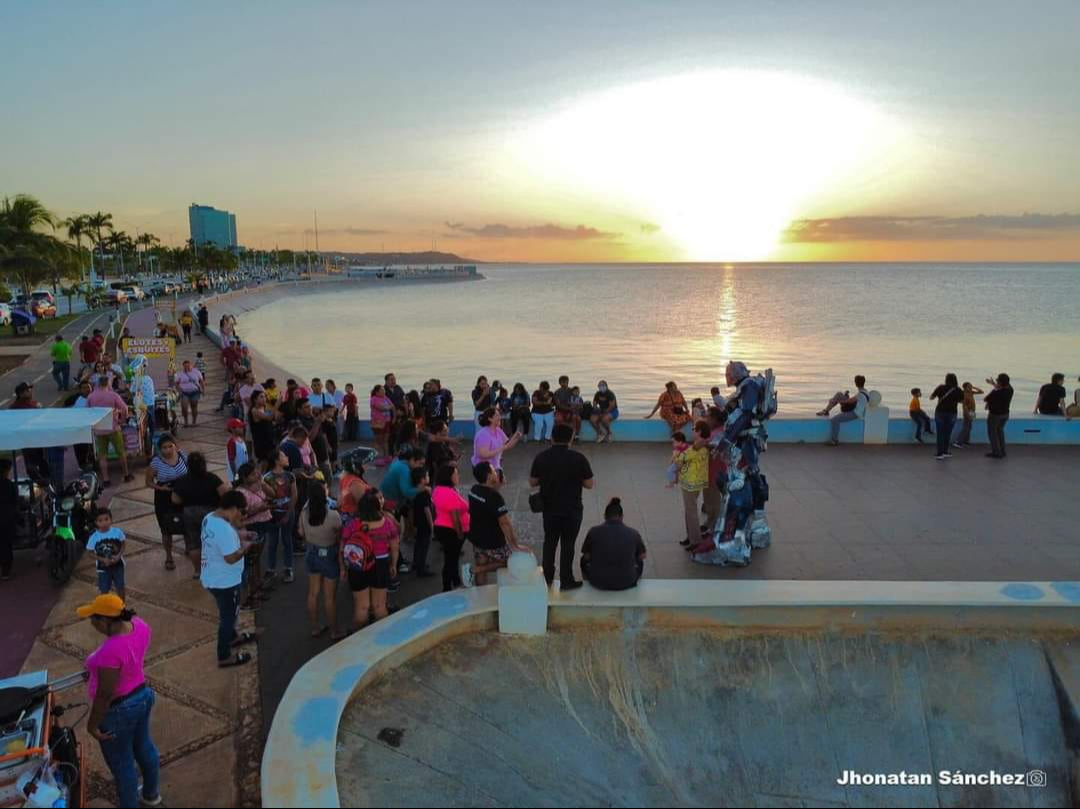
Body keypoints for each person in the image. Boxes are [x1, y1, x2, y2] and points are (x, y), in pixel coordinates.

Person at [77, 594, 160, 808]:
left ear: (105, 621)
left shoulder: (110, 651)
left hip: (119, 710)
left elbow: (105, 694)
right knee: (144, 747)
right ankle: (151, 795)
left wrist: (92, 725)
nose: (93, 624)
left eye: (94, 620)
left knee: (123, 765)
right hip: (142, 696)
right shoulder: (139, 625)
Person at [529, 422, 595, 590]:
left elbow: (532, 481)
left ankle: (547, 578)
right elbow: (589, 484)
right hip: (572, 510)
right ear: (571, 439)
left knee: (549, 543)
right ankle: (567, 580)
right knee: (568, 545)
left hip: (550, 510)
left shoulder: (541, 457)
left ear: (552, 438)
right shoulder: (579, 458)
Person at [200, 490, 257, 667]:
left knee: (228, 612)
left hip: (211, 576)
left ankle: (233, 637)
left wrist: (242, 536)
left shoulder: (210, 517)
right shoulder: (223, 529)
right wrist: (245, 548)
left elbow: (221, 539)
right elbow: (231, 557)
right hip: (225, 582)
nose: (243, 516)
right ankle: (224, 655)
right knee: (228, 618)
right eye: (243, 511)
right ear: (233, 508)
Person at [342, 489, 396, 629]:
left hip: (358, 564)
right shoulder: (387, 523)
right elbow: (394, 547)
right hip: (380, 564)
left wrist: (342, 567)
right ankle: (383, 638)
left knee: (362, 607)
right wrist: (393, 565)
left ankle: (359, 638)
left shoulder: (353, 525)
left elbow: (343, 547)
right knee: (379, 606)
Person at [467, 461, 528, 586]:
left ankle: (480, 594)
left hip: (476, 537)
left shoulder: (473, 490)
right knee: (510, 561)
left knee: (482, 561)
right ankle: (475, 570)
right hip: (493, 541)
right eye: (494, 471)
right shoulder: (494, 497)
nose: (496, 473)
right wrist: (515, 545)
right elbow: (504, 523)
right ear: (489, 476)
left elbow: (486, 503)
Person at [171, 451, 229, 577]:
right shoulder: (212, 478)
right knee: (213, 540)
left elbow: (175, 499)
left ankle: (198, 571)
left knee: (194, 543)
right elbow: (224, 493)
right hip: (210, 512)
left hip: (190, 513)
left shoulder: (182, 481)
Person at [299, 478, 343, 639]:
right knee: (329, 597)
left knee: (313, 593)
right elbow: (339, 537)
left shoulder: (304, 512)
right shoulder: (333, 515)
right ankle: (335, 631)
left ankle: (315, 628)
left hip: (311, 552)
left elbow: (301, 532)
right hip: (329, 554)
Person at [581, 498, 647, 590]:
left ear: (605, 516)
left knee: (583, 560)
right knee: (639, 561)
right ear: (622, 516)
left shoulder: (593, 532)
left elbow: (587, 556)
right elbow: (642, 556)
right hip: (627, 581)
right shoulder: (633, 533)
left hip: (598, 581)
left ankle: (587, 585)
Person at [236, 462, 275, 611]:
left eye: (256, 472)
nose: (257, 474)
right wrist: (258, 509)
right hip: (251, 527)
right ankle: (251, 593)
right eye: (253, 473)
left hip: (262, 524)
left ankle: (257, 587)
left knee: (257, 558)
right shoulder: (241, 493)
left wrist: (262, 483)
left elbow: (272, 494)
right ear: (245, 478)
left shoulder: (258, 486)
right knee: (251, 561)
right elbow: (241, 515)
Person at [145, 433, 187, 571]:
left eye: (170, 446)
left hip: (182, 494)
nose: (168, 450)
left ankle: (189, 546)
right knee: (166, 528)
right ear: (160, 449)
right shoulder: (155, 462)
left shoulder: (182, 456)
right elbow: (149, 482)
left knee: (186, 522)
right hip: (164, 498)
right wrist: (161, 488)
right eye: (164, 447)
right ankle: (169, 556)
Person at [87, 374, 133, 487]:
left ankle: (106, 479)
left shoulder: (91, 397)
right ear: (107, 383)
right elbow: (124, 408)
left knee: (102, 456)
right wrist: (122, 420)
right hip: (113, 428)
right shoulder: (113, 395)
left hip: (99, 429)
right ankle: (126, 474)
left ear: (97, 384)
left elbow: (87, 412)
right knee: (121, 452)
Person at [262, 449, 298, 584]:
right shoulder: (266, 478)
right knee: (272, 542)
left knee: (287, 540)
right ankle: (271, 569)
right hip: (272, 515)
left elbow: (294, 496)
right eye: (283, 456)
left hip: (288, 513)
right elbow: (265, 498)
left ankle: (288, 568)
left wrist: (288, 513)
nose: (287, 457)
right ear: (277, 460)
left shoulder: (290, 476)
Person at [432, 463, 470, 592]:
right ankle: (448, 587)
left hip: (442, 528)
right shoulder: (450, 493)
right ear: (448, 477)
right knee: (451, 559)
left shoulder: (438, 489)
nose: (458, 476)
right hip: (451, 530)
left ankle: (455, 581)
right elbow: (455, 518)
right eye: (455, 474)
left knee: (451, 558)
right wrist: (459, 534)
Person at [675, 422, 710, 549]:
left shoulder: (696, 447)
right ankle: (690, 536)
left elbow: (680, 459)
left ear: (699, 431)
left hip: (690, 482)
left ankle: (695, 540)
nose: (693, 431)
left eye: (694, 429)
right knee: (690, 510)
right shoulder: (705, 446)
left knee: (691, 512)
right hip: (697, 482)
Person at [87, 507, 126, 600]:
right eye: (100, 520)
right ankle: (105, 608)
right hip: (103, 568)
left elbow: (123, 544)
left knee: (120, 587)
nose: (104, 523)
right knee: (104, 589)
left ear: (111, 520)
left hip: (118, 565)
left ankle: (122, 606)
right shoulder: (94, 537)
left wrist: (118, 556)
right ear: (96, 522)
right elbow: (89, 553)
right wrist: (102, 559)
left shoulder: (117, 532)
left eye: (106, 519)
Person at [472, 407, 522, 475]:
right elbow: (483, 454)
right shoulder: (483, 434)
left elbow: (508, 445)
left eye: (499, 415)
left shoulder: (498, 430)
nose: (500, 417)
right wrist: (501, 448)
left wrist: (516, 437)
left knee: (501, 482)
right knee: (495, 484)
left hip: (495, 467)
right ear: (490, 419)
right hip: (482, 469)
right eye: (497, 415)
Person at [823, 375, 869, 446]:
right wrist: (844, 397)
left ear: (856, 383)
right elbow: (853, 401)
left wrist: (837, 401)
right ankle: (826, 411)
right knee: (839, 394)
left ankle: (834, 440)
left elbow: (849, 401)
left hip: (855, 413)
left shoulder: (860, 394)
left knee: (834, 420)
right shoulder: (865, 391)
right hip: (855, 409)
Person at [930, 373, 964, 460]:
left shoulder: (941, 387)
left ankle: (939, 453)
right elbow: (962, 401)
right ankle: (946, 451)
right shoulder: (958, 390)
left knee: (940, 433)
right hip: (952, 413)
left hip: (940, 412)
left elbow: (931, 397)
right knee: (947, 433)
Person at [411, 467, 435, 578]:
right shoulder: (424, 494)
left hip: (418, 523)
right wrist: (432, 525)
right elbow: (427, 511)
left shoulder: (416, 492)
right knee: (424, 546)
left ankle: (416, 563)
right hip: (425, 524)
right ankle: (422, 568)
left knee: (418, 544)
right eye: (427, 476)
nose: (428, 477)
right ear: (422, 480)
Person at [984, 373, 1014, 459]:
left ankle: (996, 452)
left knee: (992, 433)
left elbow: (986, 399)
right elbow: (1001, 387)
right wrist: (993, 384)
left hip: (995, 415)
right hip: (1005, 414)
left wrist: (994, 388)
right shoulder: (1010, 389)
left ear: (1000, 383)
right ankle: (1002, 450)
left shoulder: (996, 393)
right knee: (1000, 432)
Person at [248, 390, 278, 463]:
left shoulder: (264, 408)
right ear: (255, 399)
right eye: (261, 397)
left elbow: (271, 421)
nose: (264, 398)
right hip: (261, 443)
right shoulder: (254, 410)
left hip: (269, 441)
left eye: (265, 396)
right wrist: (277, 405)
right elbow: (269, 417)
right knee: (264, 463)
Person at [175, 358, 205, 428]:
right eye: (185, 366)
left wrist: (203, 390)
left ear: (191, 365)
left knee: (194, 407)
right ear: (183, 366)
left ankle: (194, 422)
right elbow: (176, 383)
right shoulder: (180, 374)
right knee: (184, 407)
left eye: (188, 366)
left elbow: (201, 381)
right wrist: (179, 391)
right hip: (184, 392)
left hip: (194, 392)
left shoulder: (196, 371)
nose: (187, 367)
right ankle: (186, 422)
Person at [369, 384, 395, 463]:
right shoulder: (374, 399)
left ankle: (386, 457)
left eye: (384, 390)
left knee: (385, 440)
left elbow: (393, 407)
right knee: (378, 441)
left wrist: (394, 417)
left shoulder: (386, 398)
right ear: (377, 392)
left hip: (387, 422)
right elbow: (382, 408)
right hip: (378, 423)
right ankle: (377, 458)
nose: (384, 391)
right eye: (382, 390)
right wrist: (388, 407)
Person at [955, 381, 985, 447]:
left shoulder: (971, 392)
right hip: (967, 412)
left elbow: (981, 391)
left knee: (969, 427)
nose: (970, 388)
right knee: (966, 427)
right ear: (965, 388)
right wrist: (967, 414)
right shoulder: (964, 394)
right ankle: (958, 442)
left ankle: (966, 441)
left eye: (971, 386)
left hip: (972, 411)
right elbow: (964, 406)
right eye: (969, 386)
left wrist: (974, 387)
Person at [0, 459, 15, 581]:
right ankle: (5, 571)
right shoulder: (9, 485)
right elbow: (15, 502)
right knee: (6, 545)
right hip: (6, 519)